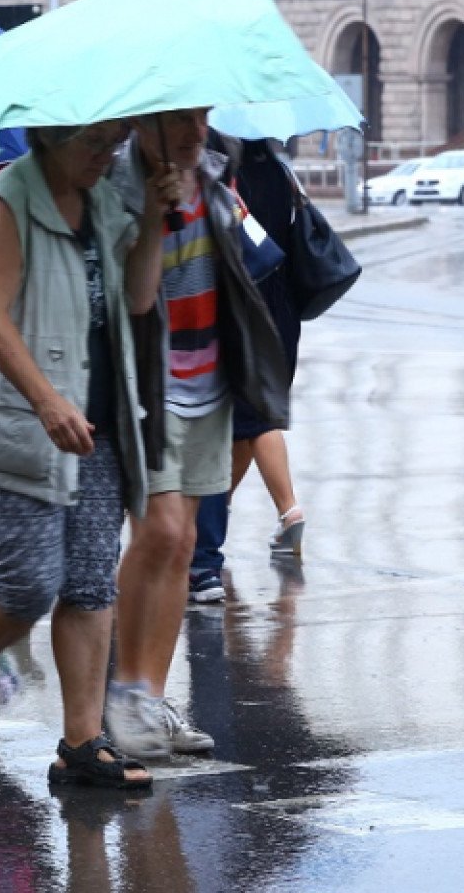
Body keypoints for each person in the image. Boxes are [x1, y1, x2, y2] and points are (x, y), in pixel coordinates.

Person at [0, 121, 169, 792]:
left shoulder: (107, 202)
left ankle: (82, 745)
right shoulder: (5, 200)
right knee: (30, 580)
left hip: (99, 424)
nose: (105, 158)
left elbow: (139, 299)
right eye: (93, 146)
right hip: (18, 426)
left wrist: (154, 220)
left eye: (112, 146)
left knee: (89, 584)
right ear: (48, 137)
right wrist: (46, 402)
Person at [104, 108, 290, 760]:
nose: (196, 132)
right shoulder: (117, 187)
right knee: (158, 532)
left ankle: (150, 698)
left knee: (185, 544)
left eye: (202, 117)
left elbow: (253, 264)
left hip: (211, 385)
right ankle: (125, 694)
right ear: (142, 125)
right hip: (152, 389)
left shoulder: (215, 176)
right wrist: (155, 217)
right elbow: (133, 299)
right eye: (180, 121)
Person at [189, 137, 310, 603]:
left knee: (250, 419)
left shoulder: (221, 182)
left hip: (241, 304)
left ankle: (279, 511)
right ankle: (217, 517)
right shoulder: (282, 173)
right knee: (250, 419)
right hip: (281, 305)